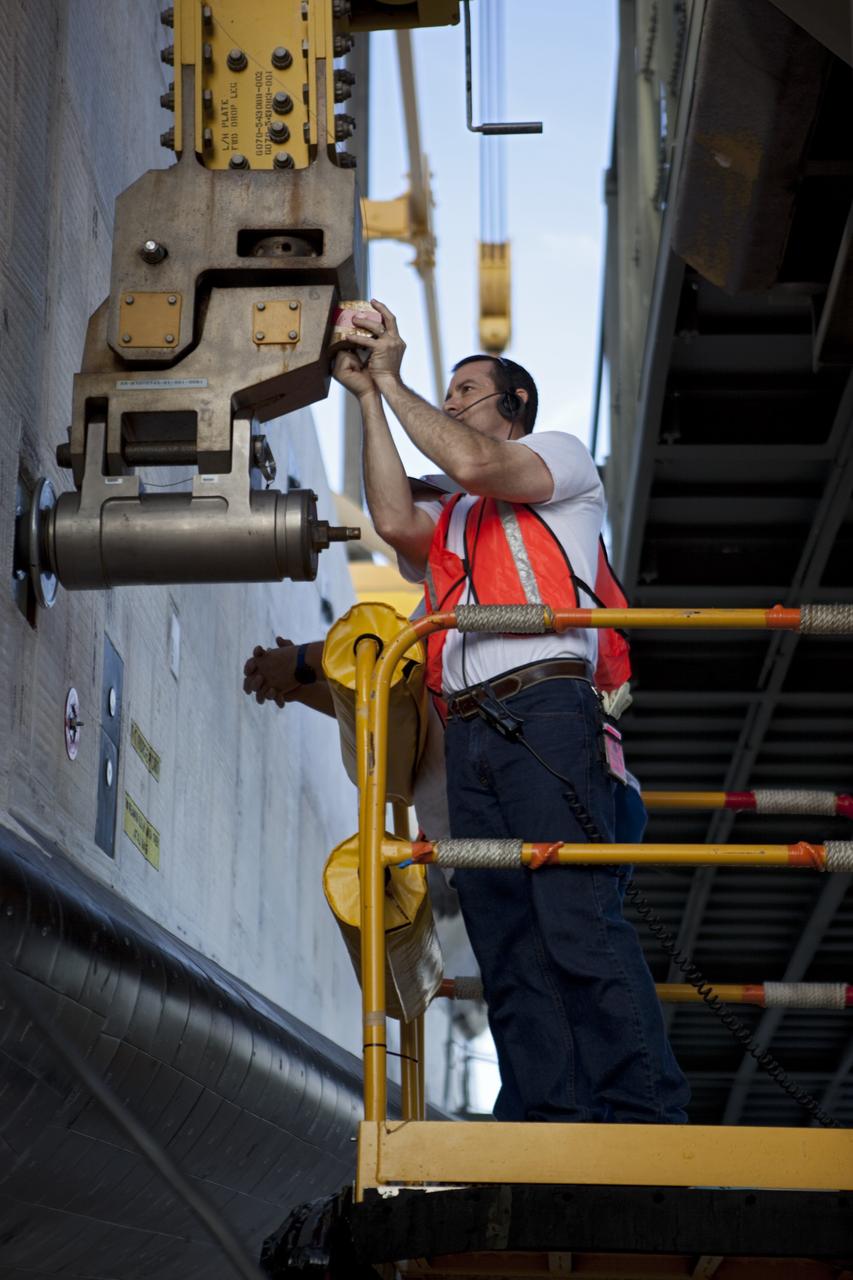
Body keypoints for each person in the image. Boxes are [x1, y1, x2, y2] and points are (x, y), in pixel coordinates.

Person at [320, 299, 690, 1125]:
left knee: (574, 920)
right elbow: (387, 517)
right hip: (477, 733)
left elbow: (479, 467)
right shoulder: (454, 522)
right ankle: (542, 1117)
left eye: (466, 392)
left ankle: (641, 1115)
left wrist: (394, 376)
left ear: (512, 408)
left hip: (547, 711)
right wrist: (370, 400)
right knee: (505, 936)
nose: (450, 404)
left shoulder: (558, 461)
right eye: (446, 391)